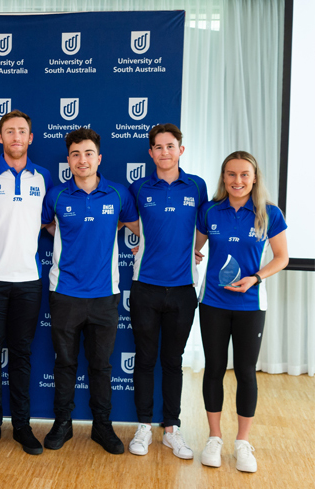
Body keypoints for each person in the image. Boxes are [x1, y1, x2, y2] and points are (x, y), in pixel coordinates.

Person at [41, 128, 138, 455]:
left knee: (101, 365)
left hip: (104, 295)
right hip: (65, 292)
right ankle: (62, 424)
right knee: (65, 363)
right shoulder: (55, 195)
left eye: (88, 153)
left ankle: (102, 426)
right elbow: (42, 225)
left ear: (99, 157)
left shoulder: (118, 194)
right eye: (75, 154)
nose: (82, 160)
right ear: (68, 159)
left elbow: (132, 224)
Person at [194, 151, 288, 473]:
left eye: (244, 175)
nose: (237, 181)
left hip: (250, 305)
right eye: (231, 175)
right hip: (213, 304)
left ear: (255, 177)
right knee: (214, 369)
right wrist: (191, 253)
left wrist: (256, 278)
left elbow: (281, 257)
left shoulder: (268, 214)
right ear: (223, 178)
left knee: (246, 372)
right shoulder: (209, 211)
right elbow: (196, 245)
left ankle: (242, 442)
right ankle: (215, 438)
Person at [0, 110, 53, 456]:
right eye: (10, 132)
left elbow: (57, 224)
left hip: (29, 281)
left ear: (30, 138)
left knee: (22, 355)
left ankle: (21, 426)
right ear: (0, 137)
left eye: (22, 132)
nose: (16, 137)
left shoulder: (44, 177)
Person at [126, 124, 208, 459]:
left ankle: (171, 429)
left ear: (181, 150)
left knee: (172, 361)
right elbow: (130, 223)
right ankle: (144, 426)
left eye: (170, 146)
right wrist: (143, 242)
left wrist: (194, 249)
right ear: (151, 152)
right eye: (158, 147)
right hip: (145, 287)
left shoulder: (197, 186)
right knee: (145, 360)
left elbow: (203, 226)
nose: (164, 152)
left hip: (183, 290)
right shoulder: (139, 187)